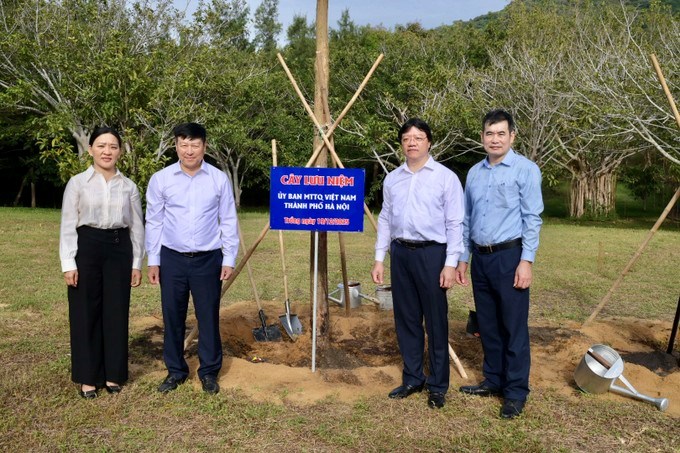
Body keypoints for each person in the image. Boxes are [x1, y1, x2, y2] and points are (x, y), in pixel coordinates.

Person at [455, 109, 543, 419]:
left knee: (513, 326)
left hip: (510, 257)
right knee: (488, 324)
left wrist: (526, 261)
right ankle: (493, 380)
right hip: (481, 258)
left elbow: (532, 218)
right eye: (490, 133)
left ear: (512, 136)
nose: (495, 139)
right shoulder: (474, 173)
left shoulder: (526, 170)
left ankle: (515, 391)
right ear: (482, 137)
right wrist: (463, 259)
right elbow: (467, 219)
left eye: (501, 133)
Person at [371, 118, 464, 409]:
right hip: (400, 253)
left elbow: (455, 223)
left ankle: (437, 385)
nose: (412, 143)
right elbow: (386, 219)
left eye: (418, 137)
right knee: (407, 318)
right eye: (407, 138)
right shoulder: (392, 179)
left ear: (429, 142)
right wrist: (379, 258)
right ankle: (413, 377)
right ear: (402, 144)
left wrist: (450, 263)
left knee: (435, 321)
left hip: (432, 254)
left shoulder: (445, 177)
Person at [145, 122, 239, 395]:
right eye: (183, 145)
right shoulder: (161, 179)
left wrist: (228, 258)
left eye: (194, 145)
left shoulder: (218, 179)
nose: (189, 151)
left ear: (204, 146)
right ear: (175, 146)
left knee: (208, 316)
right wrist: (153, 260)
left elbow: (228, 219)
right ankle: (176, 371)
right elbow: (154, 221)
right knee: (172, 316)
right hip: (171, 258)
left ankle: (209, 371)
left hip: (208, 259)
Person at [59, 126, 144, 399]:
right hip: (87, 247)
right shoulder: (77, 183)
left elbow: (137, 227)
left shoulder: (129, 186)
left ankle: (113, 374)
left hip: (119, 249)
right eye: (101, 145)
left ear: (120, 151)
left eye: (113, 146)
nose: (107, 151)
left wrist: (136, 263)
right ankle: (88, 377)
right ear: (90, 149)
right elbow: (68, 224)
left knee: (116, 310)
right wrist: (68, 263)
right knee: (85, 311)